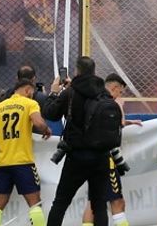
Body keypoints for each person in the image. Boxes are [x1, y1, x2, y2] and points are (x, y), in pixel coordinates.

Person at [40, 57, 116, 226]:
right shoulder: (104, 93)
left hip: (77, 156)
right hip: (101, 156)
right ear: (94, 71)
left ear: (76, 71)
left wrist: (53, 92)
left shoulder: (70, 92)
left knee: (60, 202)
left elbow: (50, 113)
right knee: (99, 205)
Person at [0, 79, 53, 226]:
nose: (32, 96)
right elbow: (39, 123)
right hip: (23, 162)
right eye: (32, 93)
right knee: (35, 203)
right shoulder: (30, 104)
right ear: (27, 90)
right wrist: (46, 130)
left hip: (3, 163)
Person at [78, 73, 138, 226]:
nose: (120, 95)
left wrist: (129, 121)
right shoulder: (112, 103)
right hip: (106, 159)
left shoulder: (93, 101)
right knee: (117, 202)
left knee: (93, 202)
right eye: (120, 91)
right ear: (115, 88)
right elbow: (120, 122)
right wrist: (120, 105)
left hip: (90, 158)